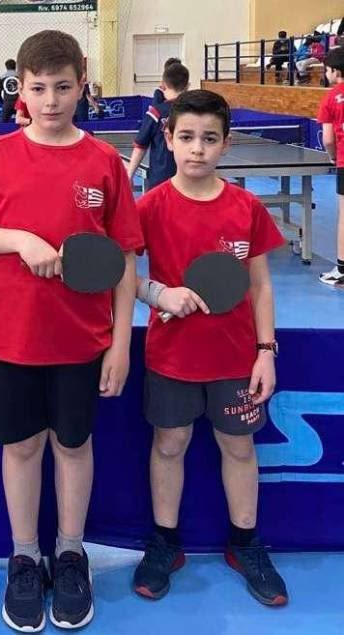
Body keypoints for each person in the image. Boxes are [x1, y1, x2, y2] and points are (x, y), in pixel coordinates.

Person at [0, 30, 142, 632]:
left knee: (73, 445)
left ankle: (70, 552)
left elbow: (125, 257)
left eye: (63, 87)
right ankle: (24, 557)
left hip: (82, 340)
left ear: (83, 85)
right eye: (39, 88)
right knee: (22, 447)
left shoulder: (104, 162)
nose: (52, 100)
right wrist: (21, 240)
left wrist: (120, 342)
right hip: (13, 337)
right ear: (22, 91)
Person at [132, 89, 287, 607]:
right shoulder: (150, 206)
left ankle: (245, 543)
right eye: (187, 137)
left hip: (236, 358)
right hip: (171, 356)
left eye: (209, 138)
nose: (197, 148)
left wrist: (265, 350)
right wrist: (158, 293)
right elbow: (122, 275)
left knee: (239, 448)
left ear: (226, 144)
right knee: (169, 444)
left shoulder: (246, 207)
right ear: (169, 139)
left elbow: (260, 286)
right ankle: (164, 542)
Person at [127, 62, 190, 188]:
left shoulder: (155, 113)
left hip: (160, 179)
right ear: (188, 85)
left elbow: (140, 146)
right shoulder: (196, 112)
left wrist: (129, 175)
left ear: (163, 84)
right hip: (190, 180)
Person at [317, 46, 344, 287]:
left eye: (326, 70)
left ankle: (342, 270)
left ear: (335, 71)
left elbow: (328, 139)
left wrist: (333, 157)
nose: (326, 74)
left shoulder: (331, 97)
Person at [0, 58, 19, 123]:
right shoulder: (20, 76)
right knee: (22, 120)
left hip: (7, 103)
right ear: (15, 66)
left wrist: (2, 101)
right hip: (19, 103)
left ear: (6, 67)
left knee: (3, 123)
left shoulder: (2, 77)